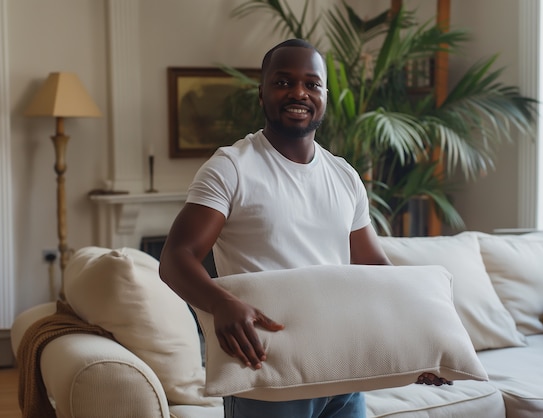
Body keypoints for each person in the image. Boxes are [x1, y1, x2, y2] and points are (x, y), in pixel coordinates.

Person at [159, 38, 448, 418]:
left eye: (312, 84)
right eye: (283, 82)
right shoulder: (231, 167)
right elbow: (175, 258)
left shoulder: (344, 176)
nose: (299, 92)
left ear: (325, 95)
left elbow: (375, 270)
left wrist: (416, 345)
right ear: (261, 93)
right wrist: (220, 302)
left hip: (344, 377)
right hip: (267, 378)